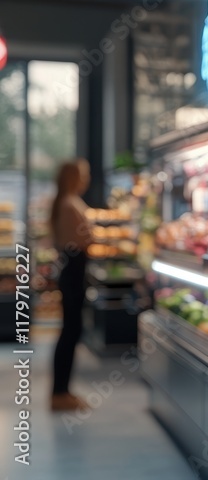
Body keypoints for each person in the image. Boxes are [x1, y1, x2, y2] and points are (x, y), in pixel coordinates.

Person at [49, 159, 93, 411]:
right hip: (74, 272)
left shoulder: (66, 202)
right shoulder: (69, 204)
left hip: (73, 271)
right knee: (70, 331)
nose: (87, 179)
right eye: (83, 175)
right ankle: (60, 393)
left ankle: (63, 391)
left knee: (71, 331)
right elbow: (81, 239)